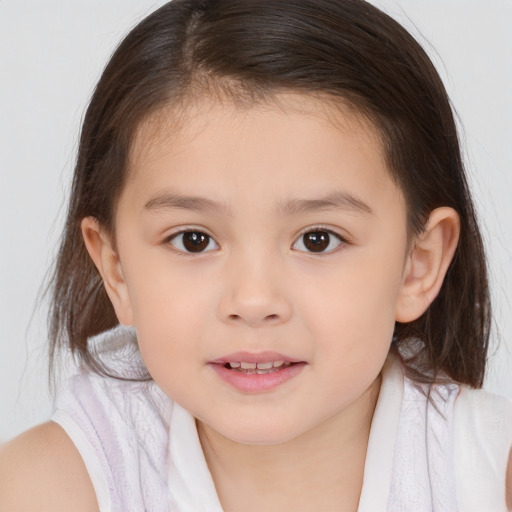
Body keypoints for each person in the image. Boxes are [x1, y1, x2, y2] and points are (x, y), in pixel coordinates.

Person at [0, 0, 511, 510]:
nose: (253, 300)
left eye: (318, 239)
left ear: (416, 265)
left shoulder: (489, 475)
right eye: (193, 240)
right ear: (117, 270)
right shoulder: (47, 488)